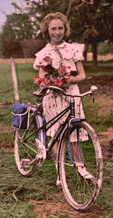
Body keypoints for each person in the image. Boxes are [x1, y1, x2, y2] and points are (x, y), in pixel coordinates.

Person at [33, 12, 93, 185]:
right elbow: (42, 79)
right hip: (53, 97)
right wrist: (51, 82)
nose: (57, 32)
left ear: (65, 29)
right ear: (47, 30)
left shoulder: (73, 49)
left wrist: (68, 80)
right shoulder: (43, 53)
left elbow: (82, 75)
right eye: (53, 28)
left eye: (60, 28)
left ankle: (81, 167)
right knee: (58, 136)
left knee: (74, 132)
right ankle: (60, 173)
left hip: (72, 95)